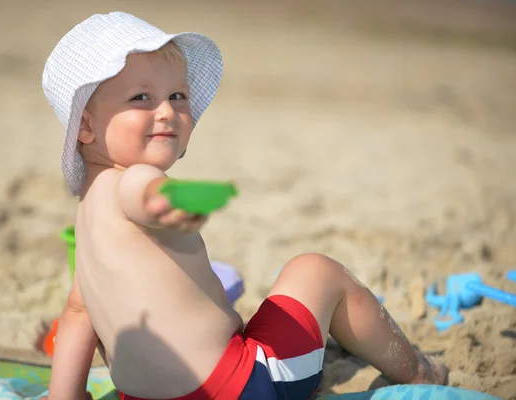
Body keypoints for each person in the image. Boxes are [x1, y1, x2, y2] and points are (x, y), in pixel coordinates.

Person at [41, 11, 448, 400]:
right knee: (315, 270)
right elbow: (141, 193)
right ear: (87, 125)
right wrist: (165, 203)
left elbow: (79, 312)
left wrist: (67, 394)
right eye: (141, 97)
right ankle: (418, 370)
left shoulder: (89, 213)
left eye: (177, 95)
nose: (167, 111)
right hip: (238, 387)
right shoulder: (135, 181)